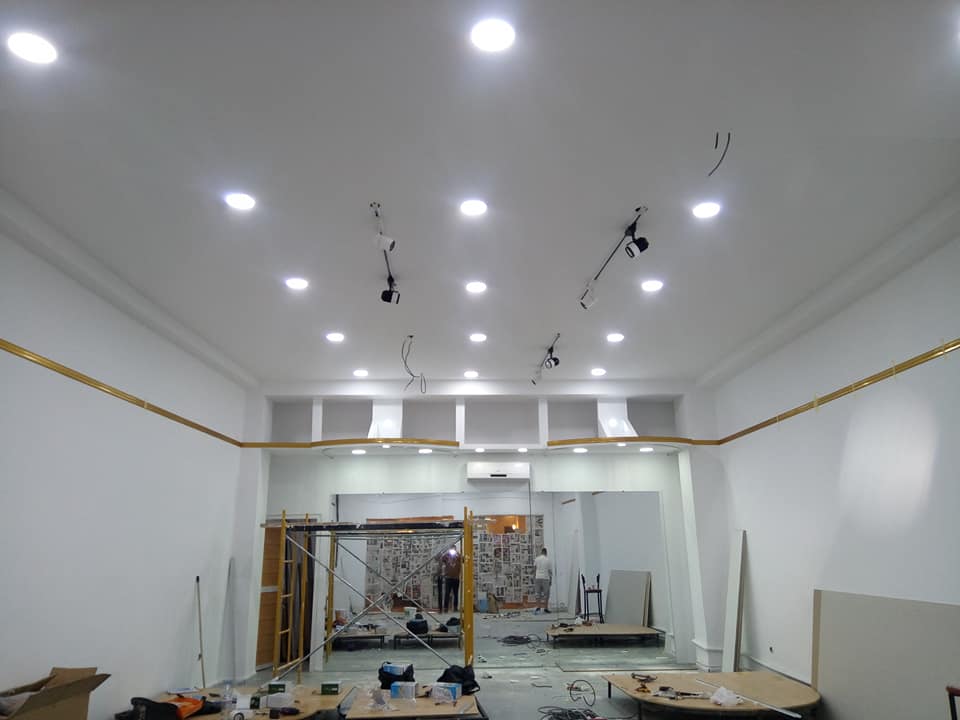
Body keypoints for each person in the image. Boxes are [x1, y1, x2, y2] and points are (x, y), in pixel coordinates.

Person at [441, 548, 461, 613]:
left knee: (456, 594)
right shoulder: (447, 557)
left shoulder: (458, 558)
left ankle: (455, 607)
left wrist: (457, 553)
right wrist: (447, 552)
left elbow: (463, 559)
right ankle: (446, 608)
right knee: (447, 593)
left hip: (456, 578)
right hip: (448, 578)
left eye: (453, 550)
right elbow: (442, 558)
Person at [533, 547, 552, 613]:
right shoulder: (548, 560)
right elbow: (550, 571)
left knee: (537, 593)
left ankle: (538, 607)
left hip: (538, 577)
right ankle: (545, 608)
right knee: (546, 594)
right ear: (546, 553)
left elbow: (534, 569)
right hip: (545, 578)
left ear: (541, 552)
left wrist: (534, 578)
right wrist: (551, 580)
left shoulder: (536, 559)